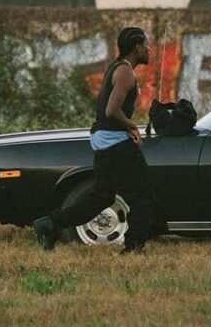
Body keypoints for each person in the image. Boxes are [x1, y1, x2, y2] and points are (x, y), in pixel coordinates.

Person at [33, 27, 157, 254]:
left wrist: (126, 127)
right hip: (114, 141)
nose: (149, 50)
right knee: (142, 193)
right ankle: (134, 248)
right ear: (137, 47)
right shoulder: (125, 72)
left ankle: (49, 224)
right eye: (146, 45)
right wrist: (131, 126)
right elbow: (111, 111)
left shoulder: (116, 67)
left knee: (101, 196)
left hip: (104, 138)